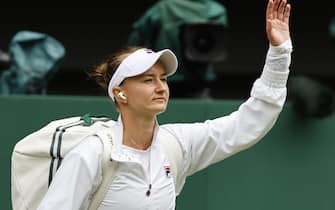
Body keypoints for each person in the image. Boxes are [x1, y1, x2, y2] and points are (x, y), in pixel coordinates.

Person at [37, 0, 292, 209]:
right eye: (148, 80)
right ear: (120, 93)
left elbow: (250, 123)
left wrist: (280, 54)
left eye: (163, 78)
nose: (161, 87)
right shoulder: (91, 154)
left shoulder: (177, 144)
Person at [127, 0, 229, 98]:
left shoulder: (164, 8)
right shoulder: (217, 10)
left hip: (167, 75)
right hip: (190, 80)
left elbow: (137, 38)